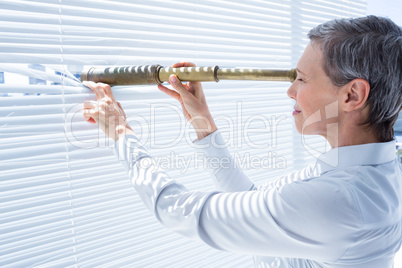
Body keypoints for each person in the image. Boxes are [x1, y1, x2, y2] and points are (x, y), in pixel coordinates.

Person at [82, 15, 402, 268]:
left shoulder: (337, 201)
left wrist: (121, 133)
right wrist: (201, 119)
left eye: (302, 79)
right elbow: (252, 201)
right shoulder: (377, 171)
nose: (291, 91)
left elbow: (176, 211)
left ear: (352, 94)